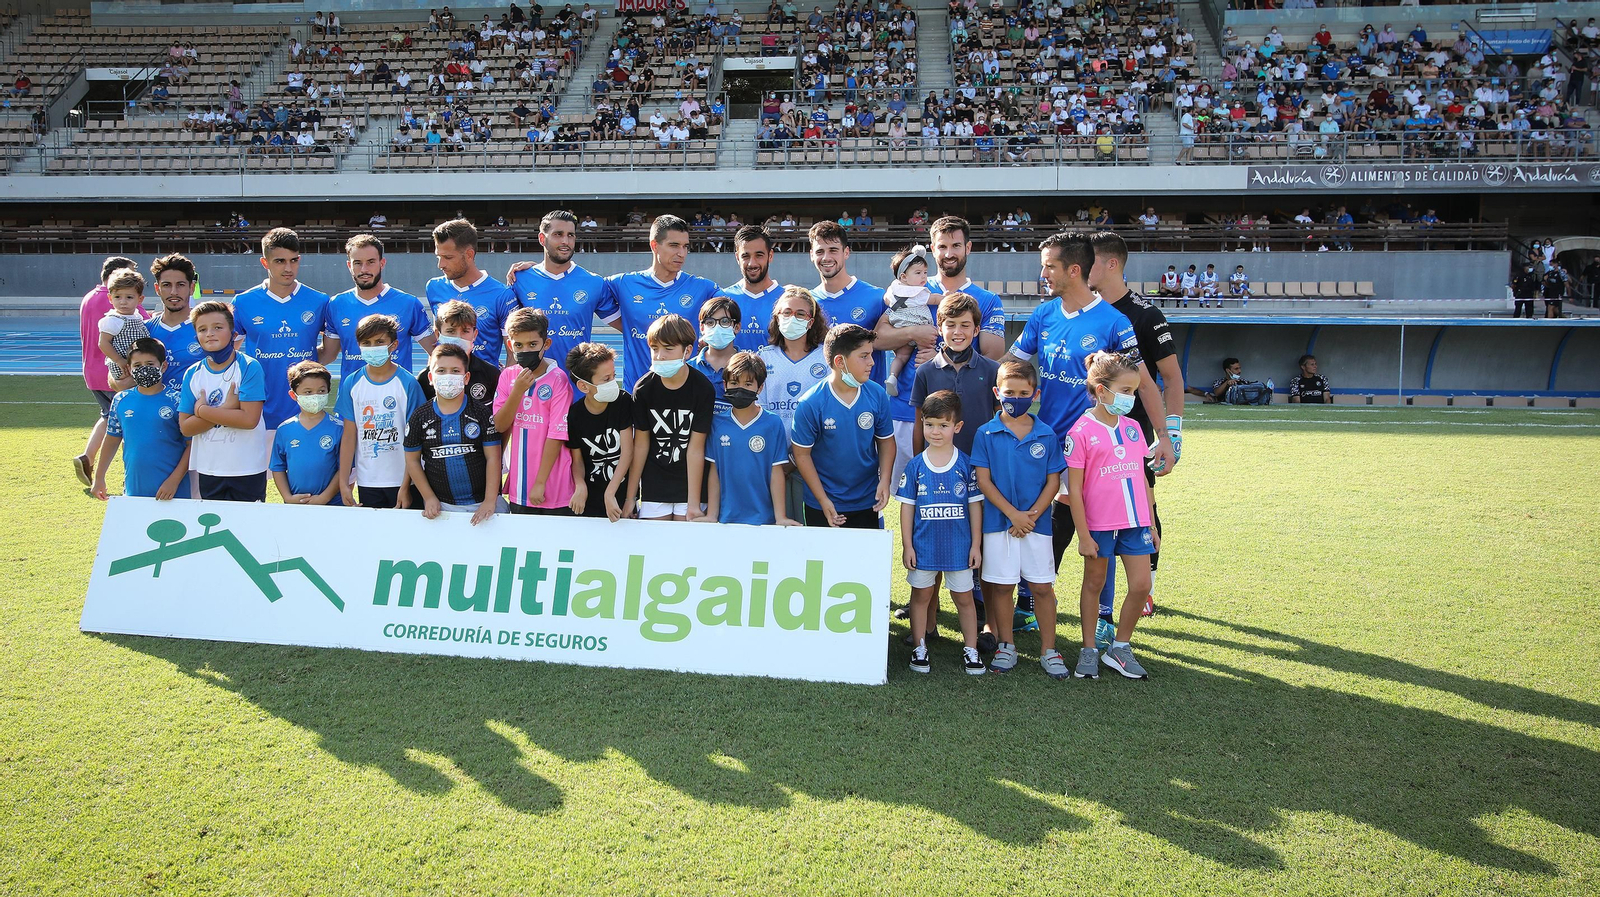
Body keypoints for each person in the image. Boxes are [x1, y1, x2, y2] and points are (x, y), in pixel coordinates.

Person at [1006, 232, 1171, 576]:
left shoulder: (1114, 322)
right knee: (1028, 514)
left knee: (1090, 523)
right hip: (1044, 439)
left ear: (1073, 270)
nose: (1044, 274)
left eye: (1050, 266)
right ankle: (1029, 597)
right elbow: (1012, 365)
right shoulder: (1043, 315)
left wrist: (1165, 436)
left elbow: (1143, 384)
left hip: (1091, 443)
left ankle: (1101, 613)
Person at [1088, 230, 1185, 626]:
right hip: (1088, 434)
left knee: (1142, 507)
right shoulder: (1082, 309)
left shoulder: (1146, 315)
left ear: (1111, 264)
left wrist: (1170, 434)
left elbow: (1172, 379)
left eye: (1088, 259)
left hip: (1133, 437)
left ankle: (1146, 589)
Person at [1065, 351, 1159, 681]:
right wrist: (1084, 535)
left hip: (1135, 522)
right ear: (1102, 390)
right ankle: (1089, 650)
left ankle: (1120, 647)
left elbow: (1143, 478)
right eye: (1126, 391)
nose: (1131, 399)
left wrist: (1150, 521)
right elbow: (1073, 490)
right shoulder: (1080, 432)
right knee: (1094, 583)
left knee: (1141, 584)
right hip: (1099, 525)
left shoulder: (1134, 428)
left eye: (1134, 391)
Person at [973, 360, 1064, 675]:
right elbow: (984, 481)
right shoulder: (985, 433)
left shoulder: (1047, 434)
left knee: (1041, 588)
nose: (1016, 398)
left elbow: (1054, 481)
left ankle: (1049, 651)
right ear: (997, 392)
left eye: (1023, 393)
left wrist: (1031, 516)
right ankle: (1006, 647)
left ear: (1035, 394)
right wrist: (1013, 514)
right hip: (999, 524)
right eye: (1009, 392)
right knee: (1002, 587)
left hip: (1036, 527)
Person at [897, 389, 985, 676]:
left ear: (957, 427)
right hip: (924, 547)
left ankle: (971, 650)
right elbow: (907, 509)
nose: (935, 431)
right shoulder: (914, 466)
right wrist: (907, 545)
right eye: (929, 424)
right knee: (920, 597)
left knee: (964, 599)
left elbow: (974, 508)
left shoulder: (966, 464)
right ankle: (919, 647)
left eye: (943, 425)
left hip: (959, 548)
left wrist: (975, 545)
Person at [790, 323, 895, 529]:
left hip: (866, 500)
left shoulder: (876, 394)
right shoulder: (811, 403)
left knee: (862, 560)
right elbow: (802, 455)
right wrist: (822, 500)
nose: (872, 362)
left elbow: (886, 442)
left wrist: (885, 480)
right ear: (840, 361)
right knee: (822, 560)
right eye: (864, 356)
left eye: (871, 355)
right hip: (824, 504)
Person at [598, 215, 721, 386]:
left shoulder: (703, 287)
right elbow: (593, 292)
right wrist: (628, 325)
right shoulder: (623, 283)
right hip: (637, 392)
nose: (682, 253)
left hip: (685, 393)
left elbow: (732, 308)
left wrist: (709, 335)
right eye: (674, 245)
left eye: (686, 247)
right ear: (654, 245)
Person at [233, 228, 331, 435]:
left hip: (306, 412)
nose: (288, 268)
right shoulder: (243, 303)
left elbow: (330, 352)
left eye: (293, 260)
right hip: (258, 412)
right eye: (280, 261)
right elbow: (231, 355)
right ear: (264, 262)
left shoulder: (319, 301)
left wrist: (306, 363)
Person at [177, 301, 270, 502]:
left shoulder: (249, 367)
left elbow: (248, 420)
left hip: (247, 468)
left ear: (233, 334)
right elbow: (186, 427)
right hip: (209, 468)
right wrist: (228, 409)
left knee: (248, 529)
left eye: (218, 327)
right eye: (203, 329)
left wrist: (202, 410)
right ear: (196, 337)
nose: (210, 333)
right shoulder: (192, 374)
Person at [627, 314, 716, 521]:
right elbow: (640, 445)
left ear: (687, 350)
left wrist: (693, 503)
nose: (660, 356)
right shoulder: (643, 389)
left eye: (668, 349)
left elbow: (696, 448)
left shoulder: (703, 389)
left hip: (691, 484)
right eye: (654, 348)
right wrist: (630, 496)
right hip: (655, 484)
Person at [335, 314, 426, 508]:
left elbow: (416, 440)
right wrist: (344, 483)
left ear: (393, 345)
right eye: (366, 343)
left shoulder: (408, 383)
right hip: (368, 480)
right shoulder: (352, 383)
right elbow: (349, 436)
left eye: (379, 342)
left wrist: (405, 485)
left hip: (405, 481)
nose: (373, 348)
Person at [505, 210, 610, 379]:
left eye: (571, 235)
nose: (565, 241)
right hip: (532, 383)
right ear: (542, 239)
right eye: (558, 234)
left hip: (577, 384)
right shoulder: (520, 280)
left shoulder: (594, 282)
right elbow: (507, 330)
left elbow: (627, 324)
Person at [405, 343, 503, 524]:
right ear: (430, 377)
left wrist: (490, 500)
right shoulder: (419, 417)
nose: (448, 376)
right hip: (442, 505)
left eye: (455, 371)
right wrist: (428, 497)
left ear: (466, 378)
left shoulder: (481, 413)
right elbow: (412, 460)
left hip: (484, 503)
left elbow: (493, 458)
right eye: (441, 371)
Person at [493, 307, 573, 515]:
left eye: (532, 344)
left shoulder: (558, 380)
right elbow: (500, 425)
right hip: (520, 485)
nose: (525, 350)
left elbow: (556, 434)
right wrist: (517, 391)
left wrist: (540, 482)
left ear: (545, 344)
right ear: (510, 345)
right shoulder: (508, 377)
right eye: (519, 345)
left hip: (552, 485)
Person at [91, 337, 191, 502]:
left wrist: (174, 480)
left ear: (163, 366)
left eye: (150, 365)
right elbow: (111, 440)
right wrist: (99, 477)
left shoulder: (178, 400)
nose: (144, 369)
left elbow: (191, 445)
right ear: (129, 369)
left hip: (174, 491)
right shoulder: (120, 400)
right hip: (134, 489)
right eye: (137, 366)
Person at [703, 351, 795, 526]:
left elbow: (776, 473)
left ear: (760, 388)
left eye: (748, 384)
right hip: (726, 519)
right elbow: (715, 471)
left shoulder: (772, 423)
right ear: (725, 385)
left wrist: (780, 517)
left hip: (764, 520)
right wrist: (712, 515)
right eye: (734, 383)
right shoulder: (717, 423)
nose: (740, 388)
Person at [325, 234, 434, 379]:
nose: (364, 269)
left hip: (397, 397)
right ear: (349, 265)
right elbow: (328, 354)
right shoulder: (336, 304)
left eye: (371, 262)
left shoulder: (408, 303)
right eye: (357, 263)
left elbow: (435, 351)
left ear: (382, 263)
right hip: (352, 397)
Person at [426, 219, 520, 366]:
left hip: (486, 386)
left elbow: (513, 353)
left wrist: (505, 387)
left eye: (448, 257)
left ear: (469, 255)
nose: (440, 265)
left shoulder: (502, 295)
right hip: (446, 384)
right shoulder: (433, 287)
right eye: (438, 257)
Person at [565, 341, 634, 521]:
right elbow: (577, 459)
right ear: (584, 386)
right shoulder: (574, 415)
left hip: (620, 497)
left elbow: (627, 452)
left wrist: (610, 493)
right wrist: (580, 485)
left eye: (614, 376)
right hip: (590, 500)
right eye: (606, 379)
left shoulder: (623, 402)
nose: (613, 383)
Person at [268, 360, 343, 505]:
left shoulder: (339, 428)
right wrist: (288, 497)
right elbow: (278, 467)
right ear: (293, 395)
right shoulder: (285, 429)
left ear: (328, 391)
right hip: (296, 505)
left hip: (333, 505)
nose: (315, 396)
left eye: (321, 391)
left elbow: (344, 469)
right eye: (308, 392)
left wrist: (324, 497)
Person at [420, 299, 500, 405]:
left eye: (465, 331)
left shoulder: (491, 373)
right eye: (451, 331)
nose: (458, 337)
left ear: (475, 334)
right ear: (438, 334)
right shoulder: (424, 378)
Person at [145, 254, 206, 394]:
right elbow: (120, 379)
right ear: (157, 288)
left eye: (180, 285)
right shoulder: (145, 329)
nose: (173, 292)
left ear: (191, 287)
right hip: (155, 413)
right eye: (166, 285)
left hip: (197, 413)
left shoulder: (206, 329)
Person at [881, 245, 936, 398]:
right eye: (918, 273)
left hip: (898, 323)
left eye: (925, 272)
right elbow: (934, 299)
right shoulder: (917, 291)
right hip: (917, 322)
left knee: (901, 356)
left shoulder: (894, 289)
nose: (923, 277)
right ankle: (924, 374)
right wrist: (947, 298)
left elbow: (886, 301)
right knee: (926, 348)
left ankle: (892, 376)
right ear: (904, 277)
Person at [689, 296, 743, 413]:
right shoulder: (688, 368)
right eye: (710, 322)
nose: (717, 327)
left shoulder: (748, 367)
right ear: (702, 328)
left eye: (724, 321)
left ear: (737, 327)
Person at [98, 269, 150, 390]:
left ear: (140, 299)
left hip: (135, 362)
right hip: (123, 366)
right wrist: (119, 360)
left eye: (129, 297)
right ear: (110, 298)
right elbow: (103, 342)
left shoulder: (136, 316)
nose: (123, 302)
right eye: (117, 297)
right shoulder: (113, 319)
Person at [1209, 357, 1273, 405]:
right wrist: (1227, 383)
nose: (1239, 371)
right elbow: (1217, 393)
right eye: (1236, 369)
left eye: (1240, 368)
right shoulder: (1219, 382)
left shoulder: (1244, 381)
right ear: (1228, 370)